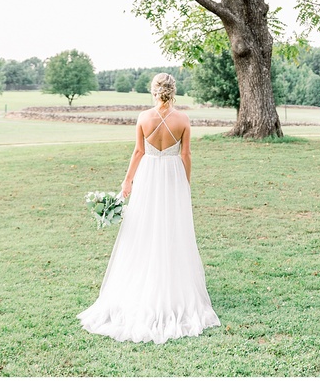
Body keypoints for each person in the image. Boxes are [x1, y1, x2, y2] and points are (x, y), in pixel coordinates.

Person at [77, 72, 221, 344]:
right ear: (173, 91)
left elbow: (138, 152)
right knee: (171, 228)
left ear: (154, 91)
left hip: (148, 176)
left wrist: (127, 180)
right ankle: (170, 284)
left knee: (143, 227)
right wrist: (185, 183)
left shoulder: (144, 117)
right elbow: (186, 154)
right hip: (172, 177)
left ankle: (145, 282)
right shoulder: (183, 119)